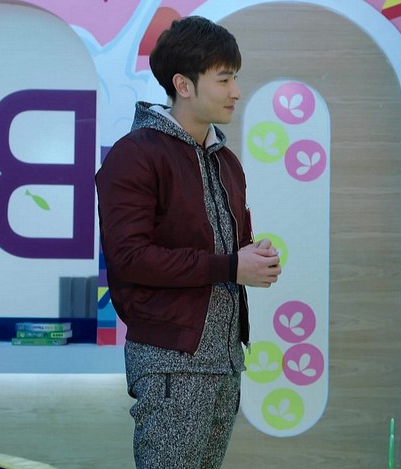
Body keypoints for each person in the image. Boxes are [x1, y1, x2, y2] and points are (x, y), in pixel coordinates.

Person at [95, 16, 281, 468]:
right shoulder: (136, 155)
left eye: (234, 78)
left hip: (225, 361)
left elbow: (229, 249)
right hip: (170, 361)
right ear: (183, 85)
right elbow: (129, 257)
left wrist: (252, 256)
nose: (236, 91)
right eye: (224, 79)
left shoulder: (226, 161)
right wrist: (231, 266)